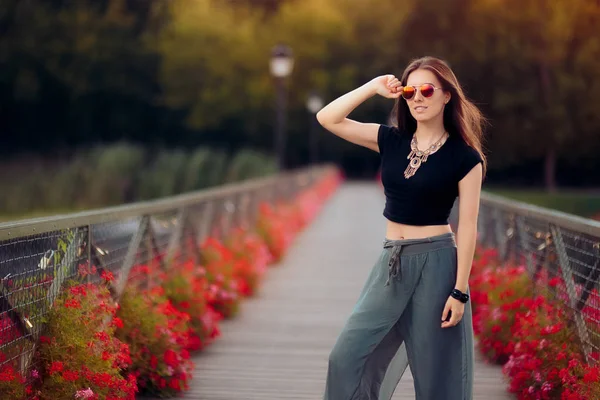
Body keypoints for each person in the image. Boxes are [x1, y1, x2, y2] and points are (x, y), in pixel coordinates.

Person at [316, 56, 486, 400]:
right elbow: (327, 118)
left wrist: (460, 291)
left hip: (437, 264)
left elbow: (467, 226)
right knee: (346, 356)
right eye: (409, 91)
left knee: (436, 371)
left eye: (426, 89)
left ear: (446, 96)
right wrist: (372, 87)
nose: (418, 98)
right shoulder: (391, 140)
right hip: (391, 263)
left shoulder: (466, 158)